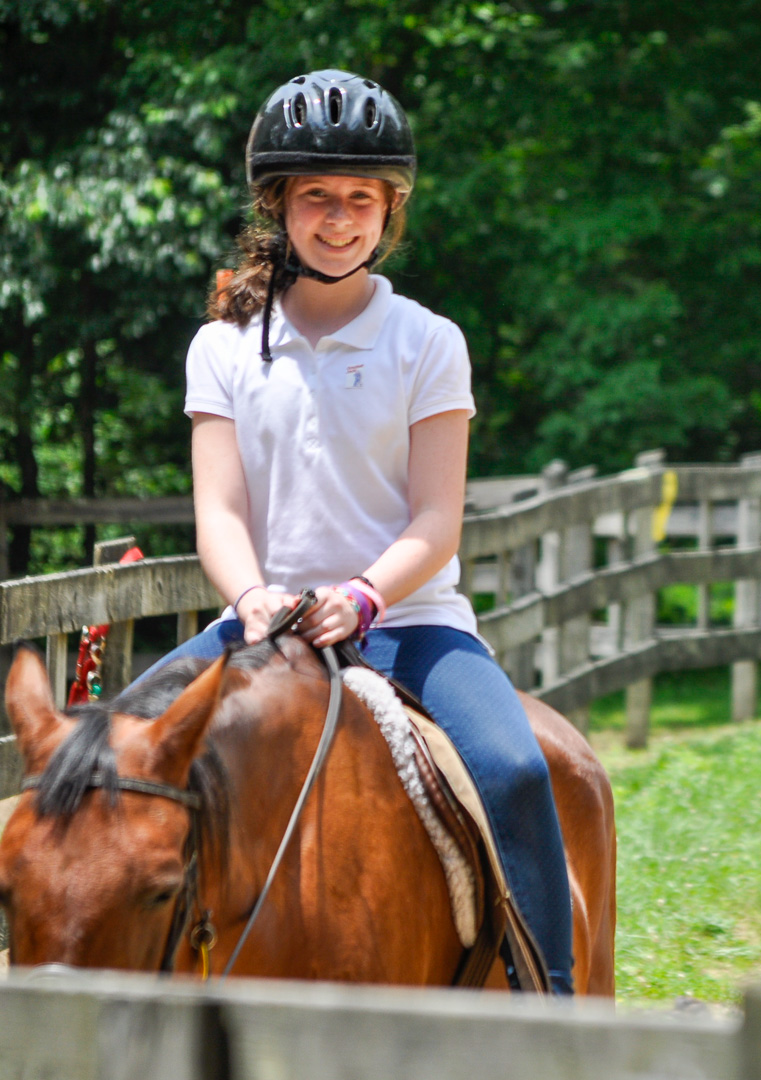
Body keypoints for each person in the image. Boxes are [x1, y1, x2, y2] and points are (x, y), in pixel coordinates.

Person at [132, 69, 574, 994]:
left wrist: (365, 593)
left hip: (412, 623)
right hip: (263, 620)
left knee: (514, 769)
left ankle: (551, 1001)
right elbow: (218, 510)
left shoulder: (427, 341)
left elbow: (437, 519)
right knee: (116, 745)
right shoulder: (221, 347)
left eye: (361, 199)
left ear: (390, 210)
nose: (339, 219)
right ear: (278, 205)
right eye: (318, 197)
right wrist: (252, 597)